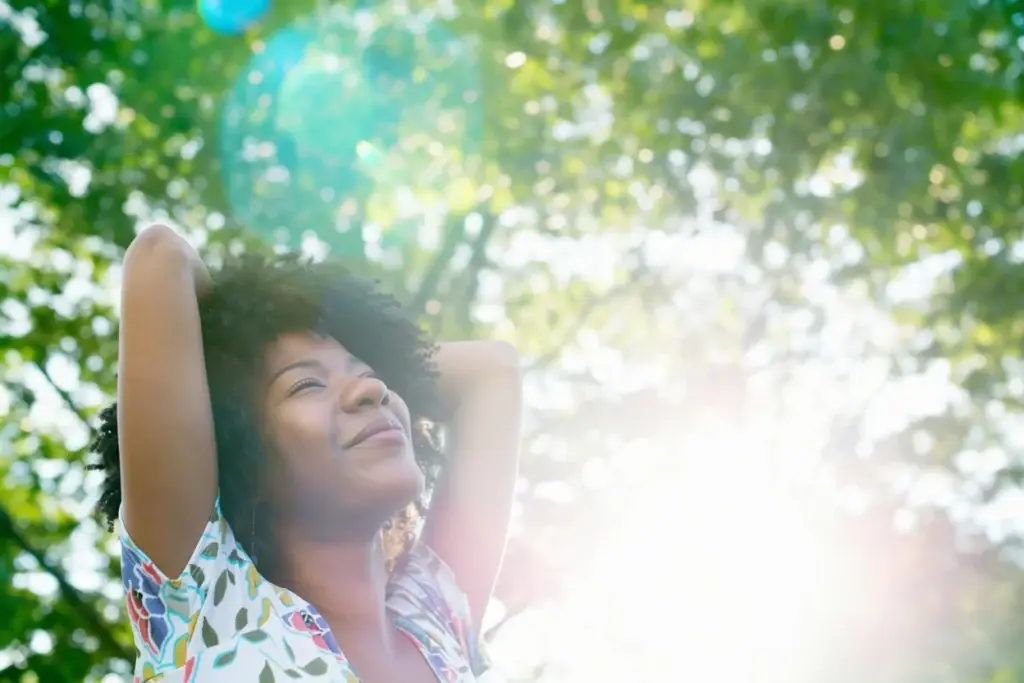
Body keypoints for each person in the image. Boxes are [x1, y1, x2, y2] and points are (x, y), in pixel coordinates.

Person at [89, 224, 522, 682]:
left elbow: (493, 370)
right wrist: (234, 340)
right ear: (243, 456)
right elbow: (161, 257)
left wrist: (388, 359)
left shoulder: (438, 626)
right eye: (306, 384)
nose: (372, 389)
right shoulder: (206, 605)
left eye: (372, 373)